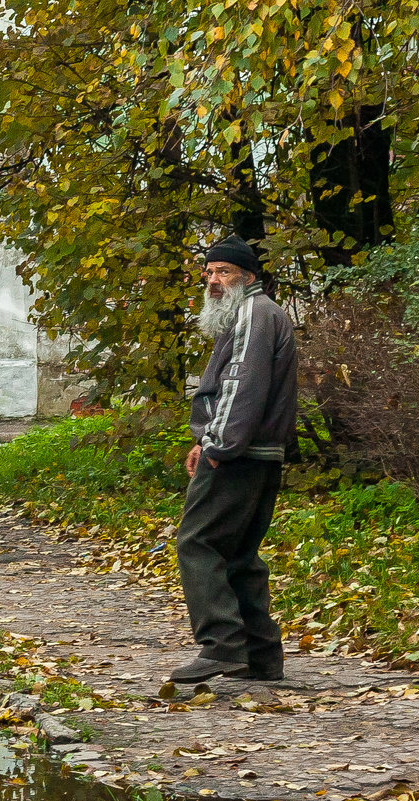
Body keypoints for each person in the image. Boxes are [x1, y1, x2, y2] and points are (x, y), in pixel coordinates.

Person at [169, 234, 298, 684]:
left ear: (248, 276)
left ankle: (222, 646)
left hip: (238, 454)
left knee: (197, 542)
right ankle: (261, 656)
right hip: (257, 453)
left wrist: (217, 445)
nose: (213, 281)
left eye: (223, 272)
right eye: (209, 273)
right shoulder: (263, 313)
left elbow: (241, 385)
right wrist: (206, 439)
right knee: (239, 552)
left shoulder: (252, 314)